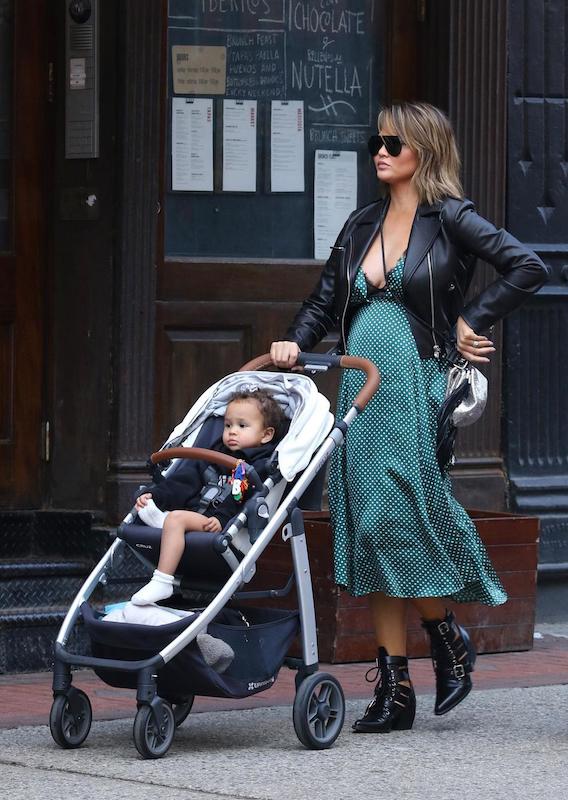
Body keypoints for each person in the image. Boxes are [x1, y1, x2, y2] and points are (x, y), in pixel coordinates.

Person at [270, 101, 548, 733]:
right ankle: (398, 686)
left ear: (424, 148)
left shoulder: (449, 217)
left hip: (411, 386)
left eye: (395, 142)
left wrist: (471, 319)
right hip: (360, 391)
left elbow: (527, 267)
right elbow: (322, 301)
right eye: (377, 141)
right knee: (371, 527)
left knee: (398, 518)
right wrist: (293, 342)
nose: (382, 151)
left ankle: (445, 636)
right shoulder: (362, 221)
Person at [131, 389, 286, 606]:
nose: (232, 431)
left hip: (220, 524)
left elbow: (239, 496)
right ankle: (163, 517)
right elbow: (184, 482)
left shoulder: (256, 465)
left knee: (176, 519)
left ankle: (162, 580)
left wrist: (222, 518)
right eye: (228, 425)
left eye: (242, 426)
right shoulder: (214, 454)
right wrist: (154, 495)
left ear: (266, 435)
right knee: (179, 492)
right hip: (197, 514)